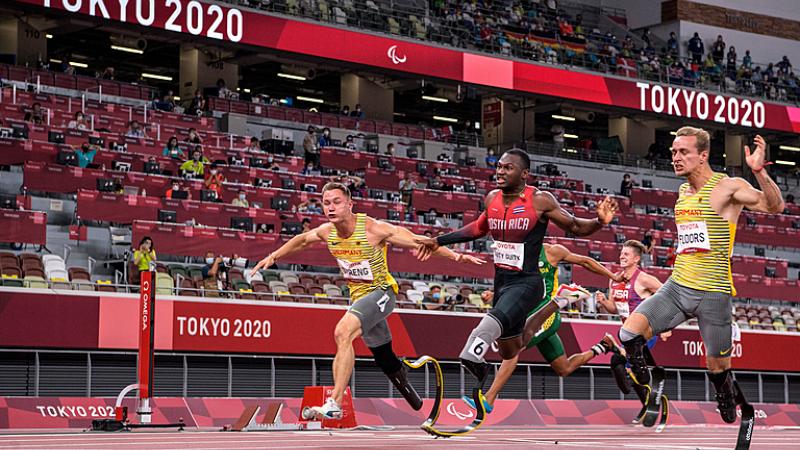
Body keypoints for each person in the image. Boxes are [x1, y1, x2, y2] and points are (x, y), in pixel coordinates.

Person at [249, 182, 486, 419]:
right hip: (359, 297)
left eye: (337, 202)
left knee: (343, 333)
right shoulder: (327, 232)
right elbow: (301, 240)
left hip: (383, 292)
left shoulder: (374, 229)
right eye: (326, 203)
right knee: (383, 356)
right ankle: (406, 386)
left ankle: (334, 402)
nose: (331, 208)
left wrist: (456, 256)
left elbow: (418, 240)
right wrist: (273, 256)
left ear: (350, 204)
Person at [415, 149, 619, 393]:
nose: (500, 171)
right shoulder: (492, 198)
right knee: (510, 348)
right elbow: (478, 228)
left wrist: (599, 222)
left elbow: (575, 226)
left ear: (524, 174)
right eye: (499, 166)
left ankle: (471, 355)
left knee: (495, 321)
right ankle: (556, 303)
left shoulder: (540, 200)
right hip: (502, 281)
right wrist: (439, 240)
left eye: (507, 167)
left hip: (528, 282)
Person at [618, 128, 784, 424]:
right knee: (629, 334)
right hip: (678, 287)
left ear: (703, 155)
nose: (676, 158)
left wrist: (759, 171)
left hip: (713, 292)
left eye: (683, 152)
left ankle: (724, 393)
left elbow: (775, 205)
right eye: (673, 152)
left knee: (717, 365)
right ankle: (649, 389)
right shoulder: (683, 191)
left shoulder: (727, 187)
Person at [464, 242, 626, 413]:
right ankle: (603, 345)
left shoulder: (551, 251)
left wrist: (613, 277)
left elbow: (584, 261)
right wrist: (494, 294)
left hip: (546, 314)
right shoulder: (516, 255)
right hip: (526, 314)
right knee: (564, 368)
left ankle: (488, 399)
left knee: (514, 348)